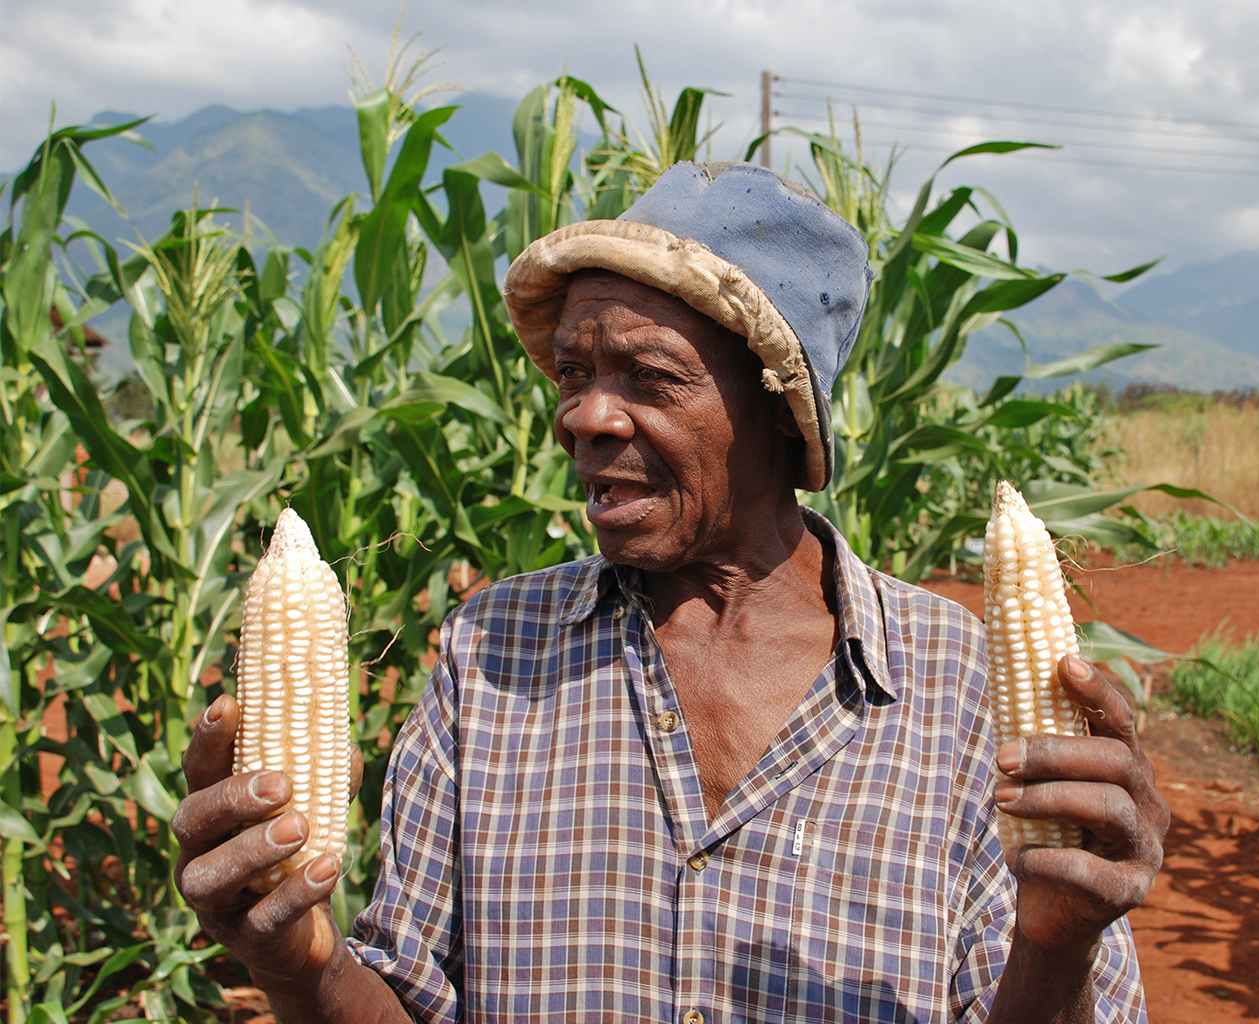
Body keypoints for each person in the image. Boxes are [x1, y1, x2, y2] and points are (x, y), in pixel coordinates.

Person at [173, 162, 1168, 1023]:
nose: (585, 416)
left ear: (782, 410)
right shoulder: (491, 654)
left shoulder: (958, 692)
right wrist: (300, 965)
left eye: (648, 377)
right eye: (573, 373)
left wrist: (1059, 946)